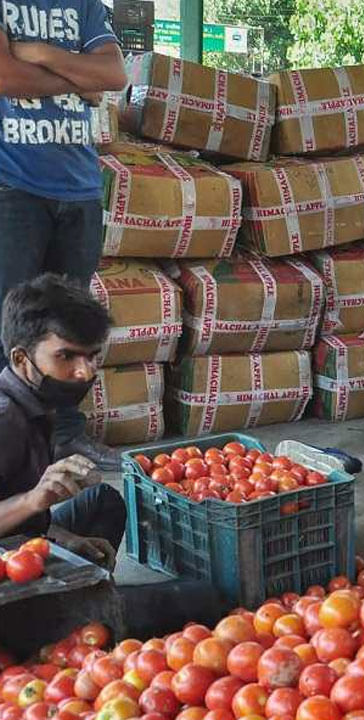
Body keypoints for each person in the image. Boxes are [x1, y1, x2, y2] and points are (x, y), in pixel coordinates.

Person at [0, 0, 127, 471]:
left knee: (75, 326)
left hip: (79, 188)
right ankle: (13, 444)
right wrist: (79, 78)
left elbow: (114, 77)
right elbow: (5, 78)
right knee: (9, 319)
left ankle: (67, 436)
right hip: (13, 187)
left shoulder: (86, 6)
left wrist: (39, 53)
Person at [0, 274, 123, 569]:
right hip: (9, 570)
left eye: (92, 356)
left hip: (23, 538)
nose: (85, 372)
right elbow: (29, 509)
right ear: (20, 359)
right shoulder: (5, 420)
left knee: (105, 500)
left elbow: (30, 524)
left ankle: (85, 597)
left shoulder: (38, 402)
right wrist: (32, 500)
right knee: (197, 597)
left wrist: (64, 539)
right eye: (66, 356)